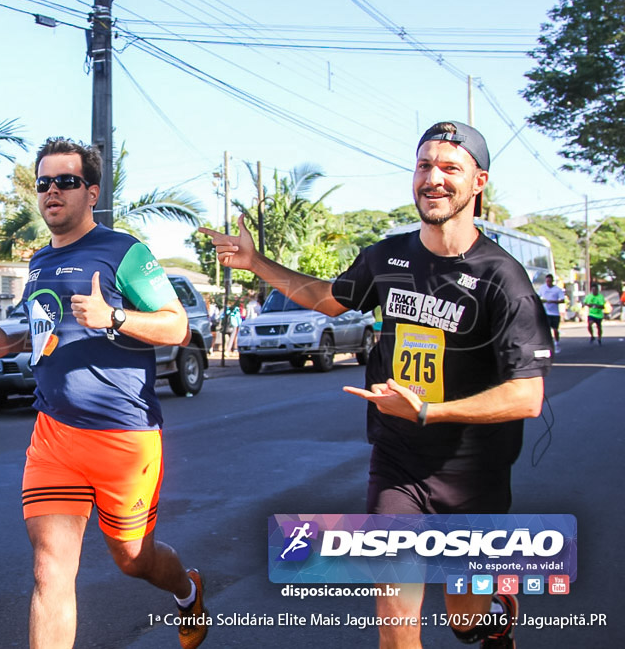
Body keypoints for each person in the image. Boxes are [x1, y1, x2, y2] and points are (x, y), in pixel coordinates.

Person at [201, 121, 551, 649]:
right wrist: (254, 262)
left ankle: (493, 613)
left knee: (465, 621)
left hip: (473, 473)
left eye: (450, 168)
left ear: (478, 182)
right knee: (395, 618)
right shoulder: (388, 257)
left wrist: (431, 411)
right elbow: (327, 298)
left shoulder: (503, 278)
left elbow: (527, 396)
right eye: (424, 165)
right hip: (399, 462)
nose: (433, 178)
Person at [0, 137, 210, 649]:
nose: (52, 191)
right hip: (54, 435)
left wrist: (116, 317)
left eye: (66, 181)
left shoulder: (123, 252)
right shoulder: (38, 262)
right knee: (49, 570)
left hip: (124, 438)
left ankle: (188, 590)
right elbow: (51, 328)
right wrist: (9, 341)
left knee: (133, 560)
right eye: (44, 183)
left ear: (91, 191)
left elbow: (177, 328)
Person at [537, 273, 565, 353]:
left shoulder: (557, 290)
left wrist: (553, 301)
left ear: (552, 281)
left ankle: (556, 343)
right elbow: (538, 297)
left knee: (555, 329)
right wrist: (542, 301)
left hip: (555, 313)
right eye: (547, 281)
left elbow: (562, 300)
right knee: (546, 329)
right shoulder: (542, 288)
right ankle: (547, 344)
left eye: (549, 281)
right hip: (546, 312)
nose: (548, 283)